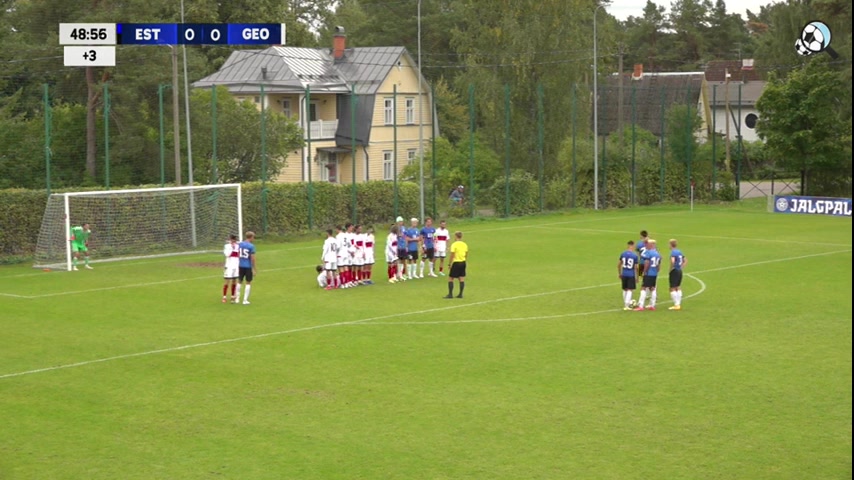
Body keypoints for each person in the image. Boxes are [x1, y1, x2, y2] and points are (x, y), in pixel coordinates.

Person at [634, 239, 661, 311]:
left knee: (643, 288)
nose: (647, 245)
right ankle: (652, 305)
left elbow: (646, 263)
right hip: (654, 273)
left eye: (648, 244)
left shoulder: (649, 253)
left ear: (652, 245)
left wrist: (644, 271)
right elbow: (658, 265)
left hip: (649, 273)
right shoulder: (657, 254)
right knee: (652, 288)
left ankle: (641, 306)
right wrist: (657, 270)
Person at [444, 231, 468, 299]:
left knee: (451, 278)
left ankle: (450, 294)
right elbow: (466, 253)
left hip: (456, 263)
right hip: (463, 262)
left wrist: (449, 264)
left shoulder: (454, 244)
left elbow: (452, 255)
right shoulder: (464, 244)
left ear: (456, 236)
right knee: (461, 278)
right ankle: (460, 294)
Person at [236, 231, 257, 305]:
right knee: (248, 282)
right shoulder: (251, 246)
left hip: (240, 265)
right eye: (253, 237)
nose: (253, 239)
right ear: (251, 237)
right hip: (248, 266)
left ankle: (237, 299)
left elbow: (238, 254)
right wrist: (254, 268)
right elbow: (252, 258)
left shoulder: (240, 244)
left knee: (239, 281)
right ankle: (245, 300)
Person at [618, 240, 639, 311]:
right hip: (631, 274)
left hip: (624, 273)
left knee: (625, 289)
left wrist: (619, 273)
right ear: (632, 246)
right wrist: (637, 276)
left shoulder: (623, 254)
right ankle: (627, 305)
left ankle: (625, 304)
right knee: (630, 289)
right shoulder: (634, 256)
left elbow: (619, 265)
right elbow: (636, 267)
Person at [668, 239, 687, 311]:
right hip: (679, 271)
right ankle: (678, 303)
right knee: (678, 287)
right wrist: (681, 267)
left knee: (672, 288)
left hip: (674, 271)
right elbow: (685, 260)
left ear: (670, 245)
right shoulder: (679, 252)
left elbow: (672, 261)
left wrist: (671, 269)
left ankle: (676, 304)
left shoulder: (673, 253)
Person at [222, 234, 240, 303]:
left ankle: (232, 296)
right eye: (232, 239)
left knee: (234, 281)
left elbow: (238, 256)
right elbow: (227, 254)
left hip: (235, 266)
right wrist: (232, 248)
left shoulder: (238, 246)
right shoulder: (227, 246)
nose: (233, 241)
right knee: (227, 281)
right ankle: (224, 296)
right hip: (229, 266)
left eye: (234, 239)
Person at [395, 217, 408, 282]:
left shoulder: (404, 228)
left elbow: (405, 236)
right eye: (400, 221)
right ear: (397, 222)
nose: (401, 222)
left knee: (404, 260)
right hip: (398, 246)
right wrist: (398, 235)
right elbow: (394, 237)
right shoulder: (396, 229)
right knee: (398, 260)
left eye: (401, 221)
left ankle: (402, 273)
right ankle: (398, 273)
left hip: (403, 246)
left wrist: (406, 245)